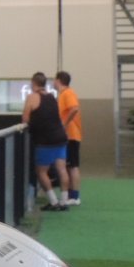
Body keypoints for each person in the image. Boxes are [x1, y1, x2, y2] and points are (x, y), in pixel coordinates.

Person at [22, 71, 70, 211]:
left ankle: (54, 202)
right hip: (60, 138)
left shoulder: (32, 97)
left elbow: (25, 119)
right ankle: (64, 201)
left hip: (45, 141)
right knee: (62, 169)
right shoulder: (52, 97)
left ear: (33, 83)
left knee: (41, 171)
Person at [54, 70, 83, 205]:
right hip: (68, 135)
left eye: (54, 80)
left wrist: (64, 125)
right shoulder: (62, 95)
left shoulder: (68, 93)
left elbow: (74, 108)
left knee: (73, 166)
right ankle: (71, 195)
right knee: (68, 166)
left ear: (58, 80)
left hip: (71, 135)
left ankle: (75, 197)